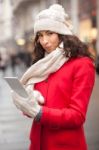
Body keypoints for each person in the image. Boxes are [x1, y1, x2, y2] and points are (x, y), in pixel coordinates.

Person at [11, 4, 95, 150]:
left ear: (61, 33)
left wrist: (39, 112)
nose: (44, 41)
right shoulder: (42, 63)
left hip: (64, 144)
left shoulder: (82, 64)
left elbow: (77, 116)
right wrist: (29, 102)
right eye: (40, 35)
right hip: (38, 142)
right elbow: (35, 108)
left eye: (50, 33)